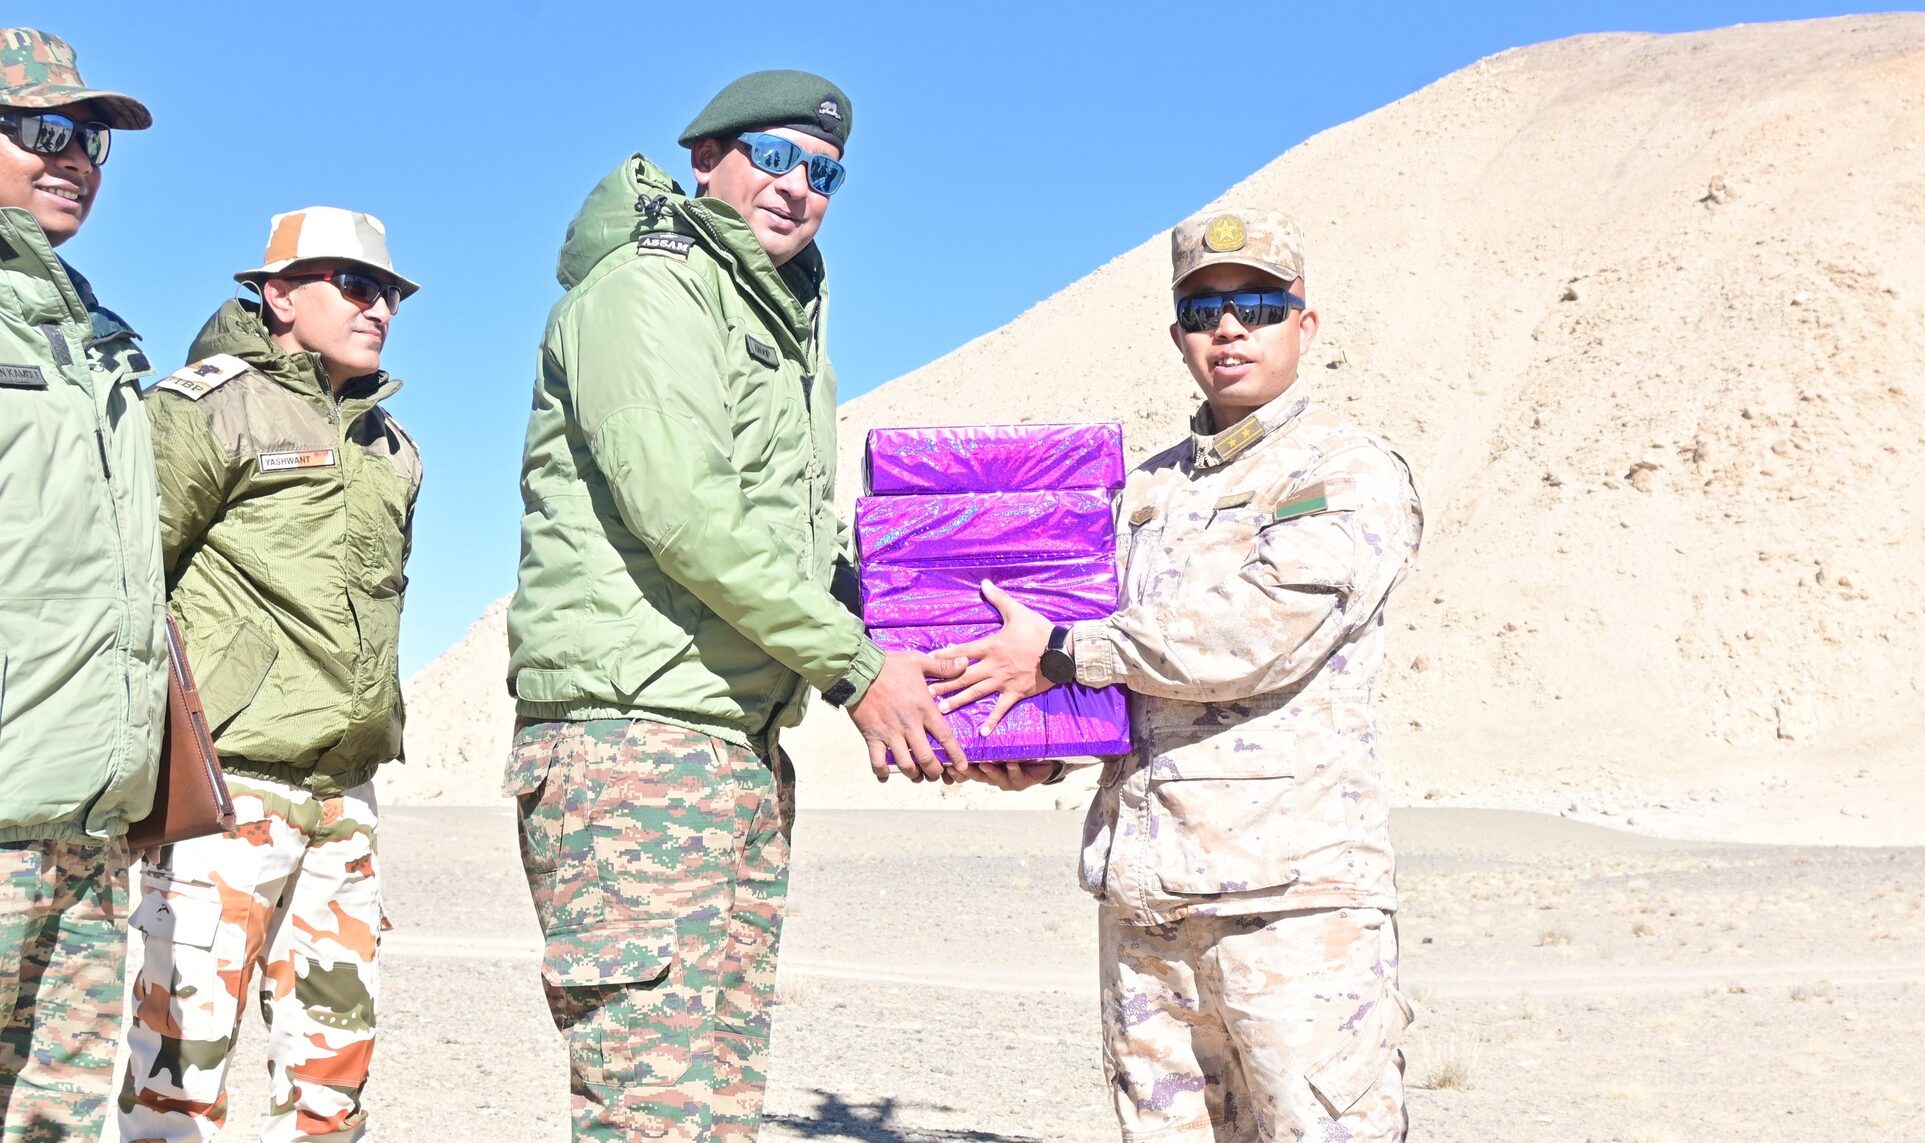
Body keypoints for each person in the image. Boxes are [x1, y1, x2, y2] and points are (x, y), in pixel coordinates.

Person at [505, 68, 966, 1139]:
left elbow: (795, 551)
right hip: (635, 748)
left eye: (824, 172)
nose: (797, 186)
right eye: (772, 156)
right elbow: (684, 511)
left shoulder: (785, 326)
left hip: (734, 748)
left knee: (715, 1110)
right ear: (704, 156)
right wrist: (855, 669)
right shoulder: (646, 291)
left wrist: (952, 681)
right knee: (648, 1108)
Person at [940, 207, 1425, 1141]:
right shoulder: (1143, 494)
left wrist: (1056, 655)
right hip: (1147, 911)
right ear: (1178, 337)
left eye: (1256, 305)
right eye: (1203, 313)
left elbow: (1260, 633)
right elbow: (1126, 680)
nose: (1229, 329)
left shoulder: (1343, 470)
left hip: (1289, 910)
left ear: (1304, 326)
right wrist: (1038, 745)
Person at [117, 207, 422, 1143]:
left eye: (391, 293)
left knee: (331, 1093)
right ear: (279, 292)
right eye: (355, 284)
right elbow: (132, 582)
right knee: (179, 1084)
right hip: (226, 792)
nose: (379, 307)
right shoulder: (203, 407)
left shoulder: (391, 447)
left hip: (345, 799)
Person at [0, 27, 165, 1140]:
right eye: (44, 130)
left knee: (58, 1119)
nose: (75, 159)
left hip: (88, 813)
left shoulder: (96, 338)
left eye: (94, 141)